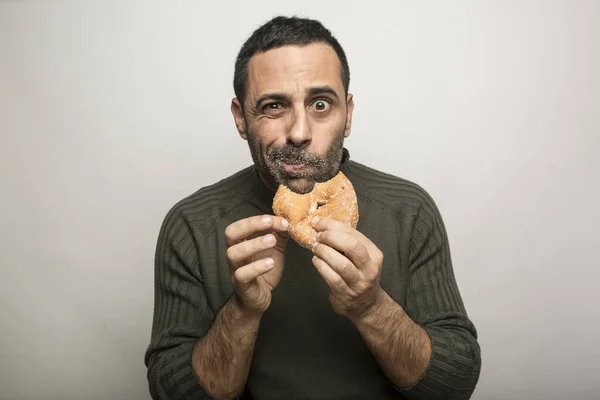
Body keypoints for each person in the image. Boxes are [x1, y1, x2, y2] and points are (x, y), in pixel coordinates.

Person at [144, 15, 481, 400]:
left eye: (321, 104)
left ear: (348, 114)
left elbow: (452, 387)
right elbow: (171, 393)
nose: (300, 133)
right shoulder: (193, 225)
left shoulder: (409, 211)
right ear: (241, 118)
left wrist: (371, 307)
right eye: (274, 106)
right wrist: (242, 311)